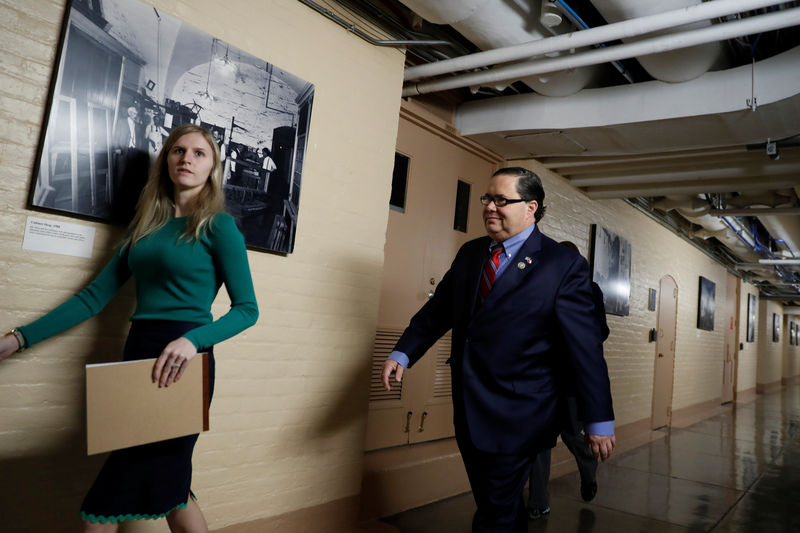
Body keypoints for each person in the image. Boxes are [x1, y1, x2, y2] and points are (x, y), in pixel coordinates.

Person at [0, 124, 259, 533]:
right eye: (177, 151)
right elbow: (92, 298)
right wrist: (18, 339)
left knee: (113, 497)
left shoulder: (218, 227)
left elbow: (248, 310)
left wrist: (192, 342)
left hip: (184, 363)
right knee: (174, 489)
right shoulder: (143, 228)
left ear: (212, 168)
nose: (186, 159)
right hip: (137, 354)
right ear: (166, 161)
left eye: (198, 153)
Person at [382, 167, 615, 533]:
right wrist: (403, 353)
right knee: (496, 503)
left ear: (531, 207)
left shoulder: (562, 266)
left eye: (501, 200)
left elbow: (586, 350)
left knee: (494, 512)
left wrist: (598, 420)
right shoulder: (472, 253)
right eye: (487, 198)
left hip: (522, 412)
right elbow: (439, 310)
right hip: (470, 405)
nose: (490, 207)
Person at [526, 240, 611, 520]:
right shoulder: (540, 285)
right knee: (539, 441)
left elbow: (600, 332)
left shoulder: (590, 290)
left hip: (572, 378)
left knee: (572, 434)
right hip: (543, 377)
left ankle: (588, 470)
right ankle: (539, 502)